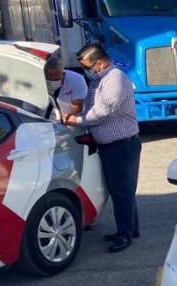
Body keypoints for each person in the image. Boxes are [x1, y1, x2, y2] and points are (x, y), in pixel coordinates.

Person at [62, 44, 140, 252]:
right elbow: (90, 106)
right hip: (111, 145)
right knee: (121, 190)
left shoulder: (115, 78)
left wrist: (77, 120)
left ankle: (125, 235)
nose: (86, 70)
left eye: (88, 66)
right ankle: (131, 228)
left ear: (100, 62)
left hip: (122, 145)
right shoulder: (98, 79)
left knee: (122, 191)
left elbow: (104, 111)